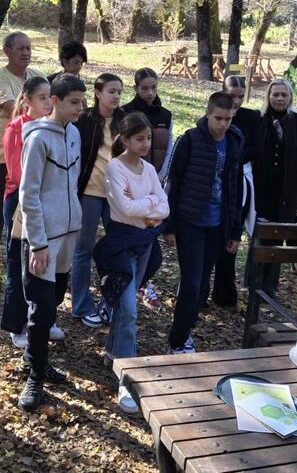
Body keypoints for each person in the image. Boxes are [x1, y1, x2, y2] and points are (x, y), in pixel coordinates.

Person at [17, 74, 86, 411]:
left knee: (55, 299)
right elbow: (28, 194)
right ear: (55, 101)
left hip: (69, 236)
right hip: (43, 240)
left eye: (82, 102)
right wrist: (39, 243)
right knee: (40, 309)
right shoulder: (37, 139)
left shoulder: (74, 133)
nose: (81, 108)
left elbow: (72, 185)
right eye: (74, 102)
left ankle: (37, 359)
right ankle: (35, 377)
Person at [97, 112, 169, 414]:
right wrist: (149, 207)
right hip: (119, 247)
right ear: (125, 139)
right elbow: (122, 207)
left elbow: (165, 206)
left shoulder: (150, 170)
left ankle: (114, 352)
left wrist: (150, 206)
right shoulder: (115, 168)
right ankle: (127, 381)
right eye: (139, 138)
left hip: (144, 246)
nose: (145, 143)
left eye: (149, 138)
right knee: (128, 311)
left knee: (125, 309)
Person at [164, 92, 245, 354]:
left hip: (218, 223)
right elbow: (173, 184)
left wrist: (235, 229)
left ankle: (187, 325)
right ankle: (177, 340)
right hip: (191, 221)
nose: (223, 124)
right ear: (207, 114)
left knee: (200, 282)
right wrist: (170, 225)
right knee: (190, 281)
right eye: (218, 118)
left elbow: (235, 186)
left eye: (228, 119)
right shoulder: (189, 140)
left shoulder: (235, 140)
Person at [0, 32, 45, 292]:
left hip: (35, 157)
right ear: (7, 51)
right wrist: (40, 107)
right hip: (4, 157)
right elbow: (9, 107)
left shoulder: (37, 76)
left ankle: (25, 266)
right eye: (20, 48)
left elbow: (49, 101)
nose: (26, 53)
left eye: (29, 48)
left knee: (28, 214)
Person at [0, 76, 65, 349]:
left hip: (47, 201)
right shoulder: (18, 128)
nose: (47, 103)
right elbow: (18, 174)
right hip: (20, 201)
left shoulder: (55, 127)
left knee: (44, 265)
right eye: (41, 98)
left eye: (49, 98)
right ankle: (16, 325)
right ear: (26, 100)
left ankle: (40, 319)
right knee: (19, 264)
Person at [71, 73, 126, 328]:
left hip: (116, 196)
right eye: (111, 91)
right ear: (98, 93)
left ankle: (109, 303)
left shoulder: (124, 121)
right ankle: (81, 305)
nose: (115, 96)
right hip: (90, 193)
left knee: (116, 249)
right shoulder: (85, 120)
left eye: (119, 92)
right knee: (83, 249)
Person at [251, 78, 297, 292]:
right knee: (259, 234)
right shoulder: (258, 120)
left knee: (277, 235)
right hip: (261, 188)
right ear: (268, 97)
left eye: (283, 95)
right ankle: (253, 280)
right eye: (275, 94)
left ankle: (269, 285)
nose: (279, 98)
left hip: (287, 189)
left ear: (290, 98)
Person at [207, 75, 263, 308]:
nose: (237, 101)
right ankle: (198, 290)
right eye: (232, 96)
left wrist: (234, 159)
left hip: (241, 180)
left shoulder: (252, 117)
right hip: (214, 183)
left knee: (231, 235)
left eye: (241, 96)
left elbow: (257, 148)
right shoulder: (212, 116)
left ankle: (224, 293)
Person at [121, 67, 174, 311]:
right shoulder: (127, 113)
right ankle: (125, 290)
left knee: (150, 244)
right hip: (131, 186)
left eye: (154, 87)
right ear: (136, 88)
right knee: (138, 242)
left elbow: (169, 146)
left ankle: (136, 285)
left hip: (155, 185)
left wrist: (158, 178)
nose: (150, 92)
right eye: (144, 88)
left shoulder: (165, 114)